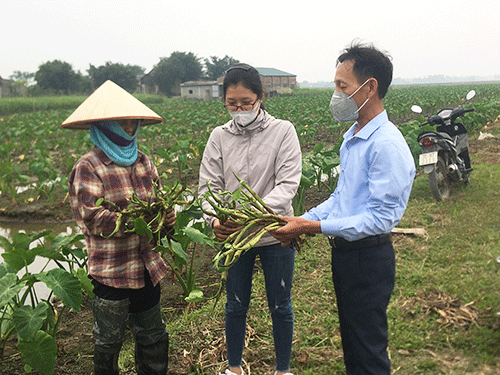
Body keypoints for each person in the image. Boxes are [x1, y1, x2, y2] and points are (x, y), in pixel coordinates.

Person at [270, 43, 416, 375]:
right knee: (353, 343)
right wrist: (302, 219)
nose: (336, 95)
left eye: (342, 86)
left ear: (370, 87)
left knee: (368, 349)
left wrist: (310, 228)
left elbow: (381, 217)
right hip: (347, 256)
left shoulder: (386, 145)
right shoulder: (354, 137)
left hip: (369, 258)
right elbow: (341, 199)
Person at [62, 80, 174, 375]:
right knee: (109, 340)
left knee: (152, 335)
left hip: (147, 266)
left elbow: (160, 202)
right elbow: (91, 216)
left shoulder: (144, 161)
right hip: (112, 271)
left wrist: (167, 218)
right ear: (105, 124)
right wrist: (133, 222)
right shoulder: (90, 165)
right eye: (120, 122)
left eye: (131, 121)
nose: (128, 127)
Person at [198, 64, 302, 375]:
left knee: (280, 304)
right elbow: (207, 188)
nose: (240, 109)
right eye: (232, 104)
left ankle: (282, 370)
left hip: (275, 232)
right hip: (234, 237)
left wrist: (249, 216)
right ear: (225, 102)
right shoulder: (218, 137)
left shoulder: (283, 131)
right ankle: (234, 369)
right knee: (235, 304)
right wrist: (214, 221)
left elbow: (287, 185)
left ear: (260, 97)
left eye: (246, 102)